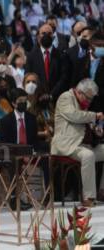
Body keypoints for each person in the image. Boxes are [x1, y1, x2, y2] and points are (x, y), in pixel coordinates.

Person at [51, 78, 104, 207]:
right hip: (67, 145)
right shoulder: (65, 97)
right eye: (88, 98)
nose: (89, 101)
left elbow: (86, 124)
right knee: (88, 155)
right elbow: (74, 115)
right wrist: (94, 115)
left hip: (83, 144)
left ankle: (102, 191)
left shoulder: (83, 103)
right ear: (80, 92)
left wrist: (97, 130)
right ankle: (89, 198)